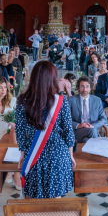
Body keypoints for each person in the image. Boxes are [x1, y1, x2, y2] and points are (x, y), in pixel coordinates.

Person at [15, 61, 76, 198]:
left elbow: (20, 133)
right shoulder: (61, 100)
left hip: (33, 154)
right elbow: (68, 132)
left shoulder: (22, 101)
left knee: (32, 199)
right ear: (53, 78)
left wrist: (22, 155)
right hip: (58, 154)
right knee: (55, 201)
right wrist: (70, 155)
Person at [68, 76, 108, 143]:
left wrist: (92, 126)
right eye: (82, 86)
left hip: (92, 129)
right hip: (78, 131)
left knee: (86, 140)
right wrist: (78, 125)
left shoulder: (97, 100)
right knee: (91, 131)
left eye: (87, 86)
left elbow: (104, 119)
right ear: (78, 88)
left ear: (90, 88)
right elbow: (65, 120)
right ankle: (99, 148)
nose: (85, 90)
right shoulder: (71, 100)